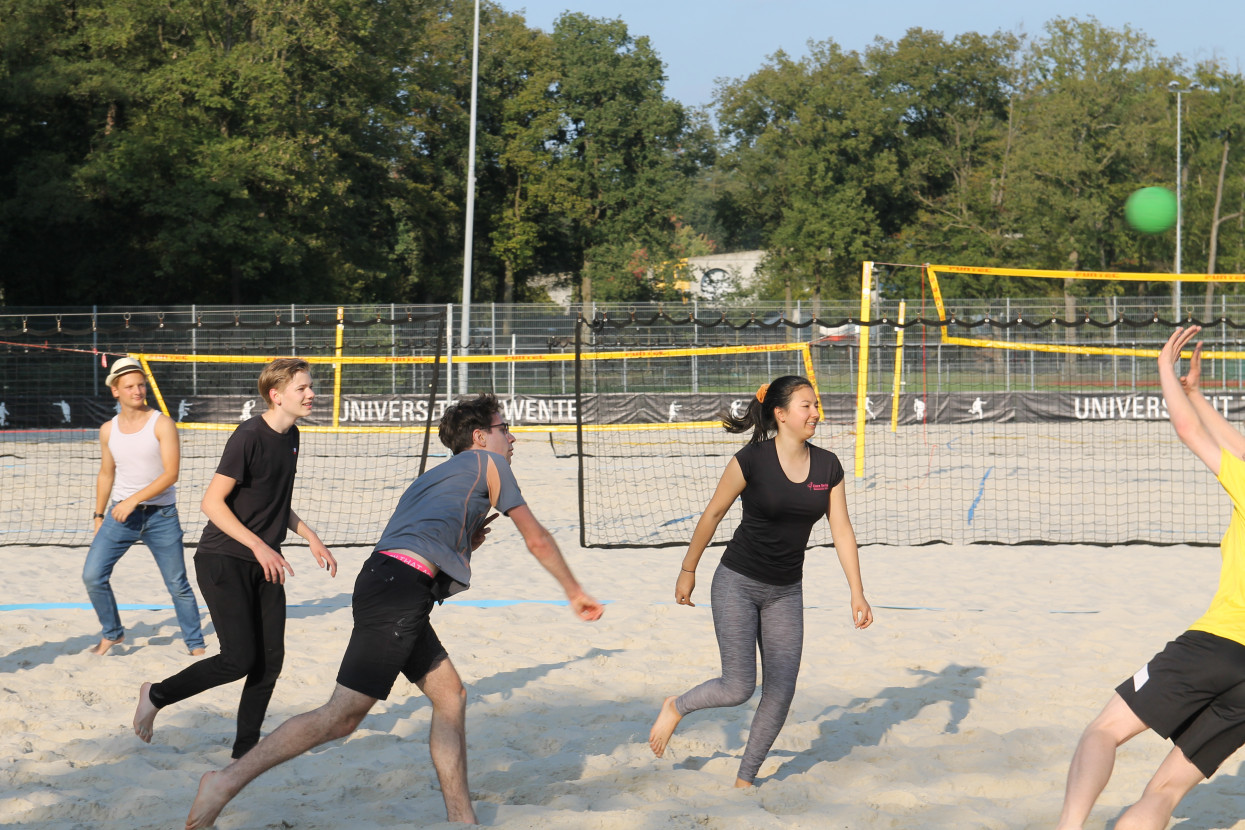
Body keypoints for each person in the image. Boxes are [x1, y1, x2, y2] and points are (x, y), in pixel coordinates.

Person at [182, 392, 603, 829]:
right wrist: (574, 591)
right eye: (504, 429)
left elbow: (411, 540)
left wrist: (462, 544)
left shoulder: (435, 477)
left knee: (450, 697)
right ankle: (225, 781)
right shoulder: (491, 464)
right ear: (480, 437)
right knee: (341, 716)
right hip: (399, 591)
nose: (512, 437)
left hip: (387, 583)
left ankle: (462, 820)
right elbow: (536, 537)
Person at [1056, 325, 1245, 830]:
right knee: (1163, 792)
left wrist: (1164, 367)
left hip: (1217, 643)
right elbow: (1236, 446)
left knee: (1102, 731)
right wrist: (1197, 395)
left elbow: (1191, 435)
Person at [648, 375, 873, 787]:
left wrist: (857, 592)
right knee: (738, 687)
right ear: (781, 414)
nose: (816, 413)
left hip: (786, 590)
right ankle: (675, 706)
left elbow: (842, 530)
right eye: (806, 406)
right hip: (737, 581)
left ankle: (744, 780)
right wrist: (688, 570)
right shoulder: (750, 460)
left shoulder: (828, 466)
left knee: (781, 691)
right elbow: (712, 515)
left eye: (816, 405)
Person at [133, 358, 337, 759]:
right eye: (302, 388)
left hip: (265, 562)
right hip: (223, 558)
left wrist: (311, 536)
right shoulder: (248, 436)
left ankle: (244, 751)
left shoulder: (292, 435)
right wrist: (261, 545)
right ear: (276, 395)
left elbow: (275, 501)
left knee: (270, 661)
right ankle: (155, 694)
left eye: (311, 387)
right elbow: (211, 502)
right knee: (238, 659)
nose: (312, 394)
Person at [82, 357, 205, 656]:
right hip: (119, 514)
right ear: (115, 391)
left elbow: (171, 474)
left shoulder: (161, 423)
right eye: (129, 386)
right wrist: (98, 515)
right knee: (92, 576)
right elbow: (106, 473)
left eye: (140, 385)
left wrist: (133, 500)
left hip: (161, 515)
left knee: (177, 584)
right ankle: (113, 633)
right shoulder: (108, 430)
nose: (137, 391)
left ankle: (195, 645)